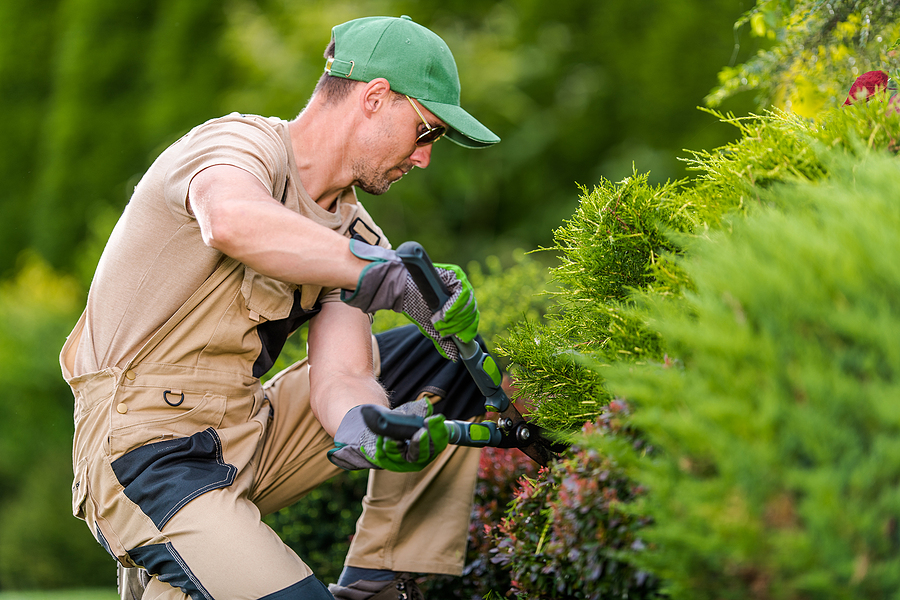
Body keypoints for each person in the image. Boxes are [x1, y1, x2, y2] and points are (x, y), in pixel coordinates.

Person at [60, 14, 500, 600]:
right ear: (375, 98)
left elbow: (342, 375)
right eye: (427, 133)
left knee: (437, 362)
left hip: (246, 428)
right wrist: (379, 273)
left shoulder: (359, 231)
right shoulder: (236, 146)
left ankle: (379, 581)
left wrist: (370, 427)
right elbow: (231, 221)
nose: (423, 159)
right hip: (146, 444)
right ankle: (179, 561)